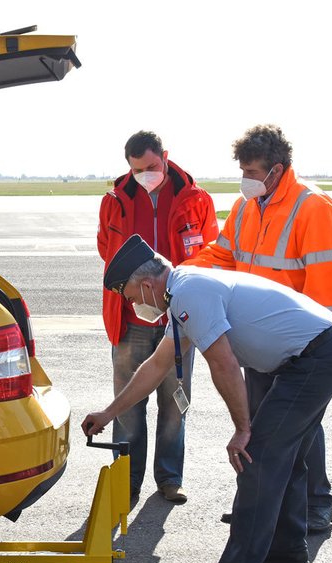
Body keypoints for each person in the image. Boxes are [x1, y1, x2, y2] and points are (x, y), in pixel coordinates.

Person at [83, 235, 332, 563]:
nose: (132, 304)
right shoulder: (185, 291)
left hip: (316, 358)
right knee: (284, 457)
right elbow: (156, 367)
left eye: (130, 296)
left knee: (255, 457)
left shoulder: (189, 292)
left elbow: (223, 363)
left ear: (147, 284)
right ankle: (286, 548)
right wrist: (109, 412)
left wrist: (243, 430)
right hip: (319, 352)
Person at [185, 124, 332, 533]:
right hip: (258, 342)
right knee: (260, 427)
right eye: (243, 170)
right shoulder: (246, 208)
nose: (246, 179)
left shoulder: (313, 207)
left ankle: (315, 505)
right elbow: (221, 255)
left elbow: (325, 289)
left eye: (253, 172)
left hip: (299, 344)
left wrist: (309, 348)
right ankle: (260, 504)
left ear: (276, 170)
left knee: (301, 429)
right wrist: (180, 275)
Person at [96, 131, 218, 505]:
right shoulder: (114, 202)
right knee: (128, 403)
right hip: (129, 319)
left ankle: (169, 478)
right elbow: (107, 252)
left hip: (180, 317)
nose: (144, 175)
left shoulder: (196, 201)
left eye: (150, 167)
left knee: (175, 401)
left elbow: (210, 252)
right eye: (136, 170)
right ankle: (126, 482)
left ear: (164, 156)